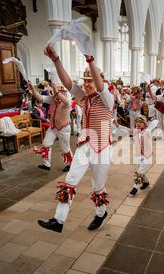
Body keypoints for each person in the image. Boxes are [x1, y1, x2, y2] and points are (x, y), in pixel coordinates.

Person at [37, 44, 113, 233]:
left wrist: (90, 61)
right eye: (85, 80)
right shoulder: (82, 97)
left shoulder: (107, 98)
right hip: (84, 145)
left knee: (98, 186)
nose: (86, 84)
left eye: (90, 81)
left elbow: (100, 85)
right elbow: (68, 82)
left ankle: (101, 212)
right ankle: (58, 220)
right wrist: (56, 60)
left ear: (99, 81)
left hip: (102, 148)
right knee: (70, 180)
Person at [29, 81, 73, 172]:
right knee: (46, 144)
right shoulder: (52, 99)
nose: (56, 93)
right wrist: (33, 89)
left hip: (63, 128)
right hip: (53, 127)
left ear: (64, 92)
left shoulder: (67, 101)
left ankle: (70, 164)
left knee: (65, 148)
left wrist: (56, 90)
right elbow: (40, 98)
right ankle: (46, 164)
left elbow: (66, 101)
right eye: (55, 91)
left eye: (61, 91)